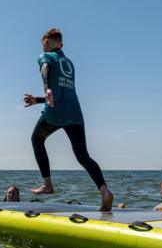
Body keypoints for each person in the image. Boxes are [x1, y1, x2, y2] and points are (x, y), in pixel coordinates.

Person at [23, 28, 113, 211]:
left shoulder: (44, 56)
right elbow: (62, 92)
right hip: (75, 113)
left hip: (56, 112)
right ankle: (104, 191)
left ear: (46, 43)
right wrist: (38, 100)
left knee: (37, 139)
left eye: (43, 44)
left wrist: (46, 88)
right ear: (62, 44)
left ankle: (47, 184)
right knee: (83, 156)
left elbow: (45, 69)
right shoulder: (69, 63)